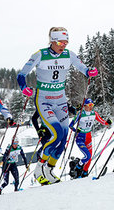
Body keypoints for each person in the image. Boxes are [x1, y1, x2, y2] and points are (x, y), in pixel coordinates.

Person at [17, 27, 97, 185]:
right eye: (60, 42)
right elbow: (22, 74)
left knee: (63, 138)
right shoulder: (40, 54)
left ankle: (49, 169)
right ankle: (39, 168)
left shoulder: (69, 55)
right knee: (56, 134)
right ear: (52, 41)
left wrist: (89, 72)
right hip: (44, 100)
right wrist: (23, 87)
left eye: (66, 42)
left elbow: (82, 67)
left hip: (60, 100)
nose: (63, 45)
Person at [68, 99, 111, 177]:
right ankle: (78, 167)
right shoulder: (80, 114)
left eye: (92, 105)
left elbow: (102, 122)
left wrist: (107, 123)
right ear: (85, 106)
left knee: (89, 157)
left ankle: (84, 173)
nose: (91, 107)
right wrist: (76, 130)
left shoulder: (94, 113)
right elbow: (70, 125)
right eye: (89, 105)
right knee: (87, 156)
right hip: (80, 137)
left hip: (88, 137)